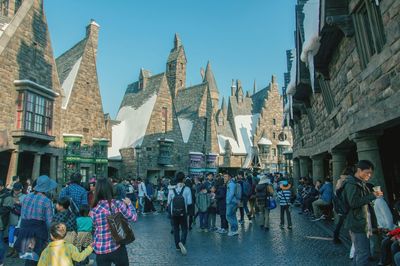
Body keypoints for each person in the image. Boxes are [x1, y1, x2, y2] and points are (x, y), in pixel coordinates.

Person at [343, 160, 383, 266]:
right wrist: (372, 196)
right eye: (367, 172)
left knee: (359, 252)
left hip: (360, 221)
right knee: (364, 253)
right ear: (359, 170)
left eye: (371, 173)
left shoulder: (359, 183)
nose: (369, 175)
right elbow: (353, 202)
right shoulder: (352, 183)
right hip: (358, 223)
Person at [90, 178, 137, 266]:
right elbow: (133, 218)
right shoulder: (117, 204)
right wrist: (130, 205)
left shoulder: (93, 209)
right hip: (117, 246)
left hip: (100, 248)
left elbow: (94, 227)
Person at [15, 175, 57, 266]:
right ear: (47, 188)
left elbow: (22, 215)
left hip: (25, 230)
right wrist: (52, 236)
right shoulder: (46, 201)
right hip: (38, 233)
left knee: (28, 258)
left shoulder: (26, 197)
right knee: (36, 259)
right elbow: (49, 221)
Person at [167, 172, 192, 255]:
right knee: (184, 228)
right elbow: (189, 202)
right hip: (183, 212)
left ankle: (177, 246)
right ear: (183, 179)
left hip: (173, 213)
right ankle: (182, 242)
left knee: (176, 229)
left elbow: (168, 202)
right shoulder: (187, 189)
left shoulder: (171, 189)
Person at [333, 166, 355, 244]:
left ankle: (336, 237)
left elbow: (336, 193)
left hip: (341, 205)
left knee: (341, 222)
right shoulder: (344, 181)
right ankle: (336, 237)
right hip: (343, 205)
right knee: (343, 222)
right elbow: (338, 193)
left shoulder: (341, 180)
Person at [6, 182, 26, 258]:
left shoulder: (24, 196)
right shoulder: (10, 195)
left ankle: (16, 251)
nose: (15, 191)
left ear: (21, 189)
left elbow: (25, 206)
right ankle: (11, 250)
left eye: (17, 190)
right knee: (11, 234)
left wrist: (18, 202)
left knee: (17, 235)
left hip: (19, 218)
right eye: (15, 189)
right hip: (11, 217)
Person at [0, 180, 12, 265]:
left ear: (1, 186)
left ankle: (1, 261)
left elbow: (6, 210)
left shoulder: (7, 196)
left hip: (1, 223)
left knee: (1, 244)